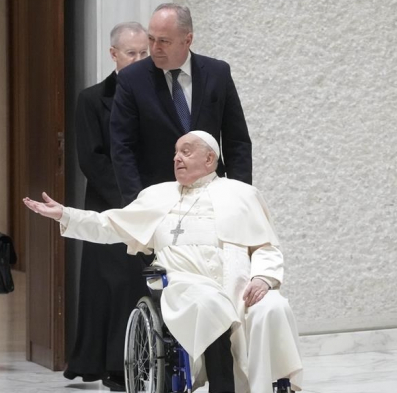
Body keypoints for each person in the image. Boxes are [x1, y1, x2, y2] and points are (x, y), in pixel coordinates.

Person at [24, 131, 303, 393]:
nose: (176, 158)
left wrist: (263, 278)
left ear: (209, 159)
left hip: (241, 285)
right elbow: (108, 225)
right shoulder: (157, 196)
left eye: (186, 151)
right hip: (187, 286)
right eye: (175, 153)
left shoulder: (243, 194)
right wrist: (65, 215)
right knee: (211, 305)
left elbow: (266, 247)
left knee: (273, 307)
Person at [64, 22, 149, 392]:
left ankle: (139, 358)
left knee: (138, 284)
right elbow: (92, 159)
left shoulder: (159, 95)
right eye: (132, 53)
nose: (139, 59)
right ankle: (109, 364)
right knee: (109, 285)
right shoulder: (91, 98)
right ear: (113, 54)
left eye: (144, 52)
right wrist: (130, 202)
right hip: (110, 206)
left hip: (149, 206)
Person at [110, 3, 252, 206]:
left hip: (212, 196)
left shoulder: (217, 73)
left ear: (188, 40)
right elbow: (122, 147)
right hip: (156, 197)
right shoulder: (132, 79)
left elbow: (236, 141)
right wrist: (137, 205)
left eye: (164, 41)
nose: (155, 48)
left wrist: (240, 198)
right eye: (151, 39)